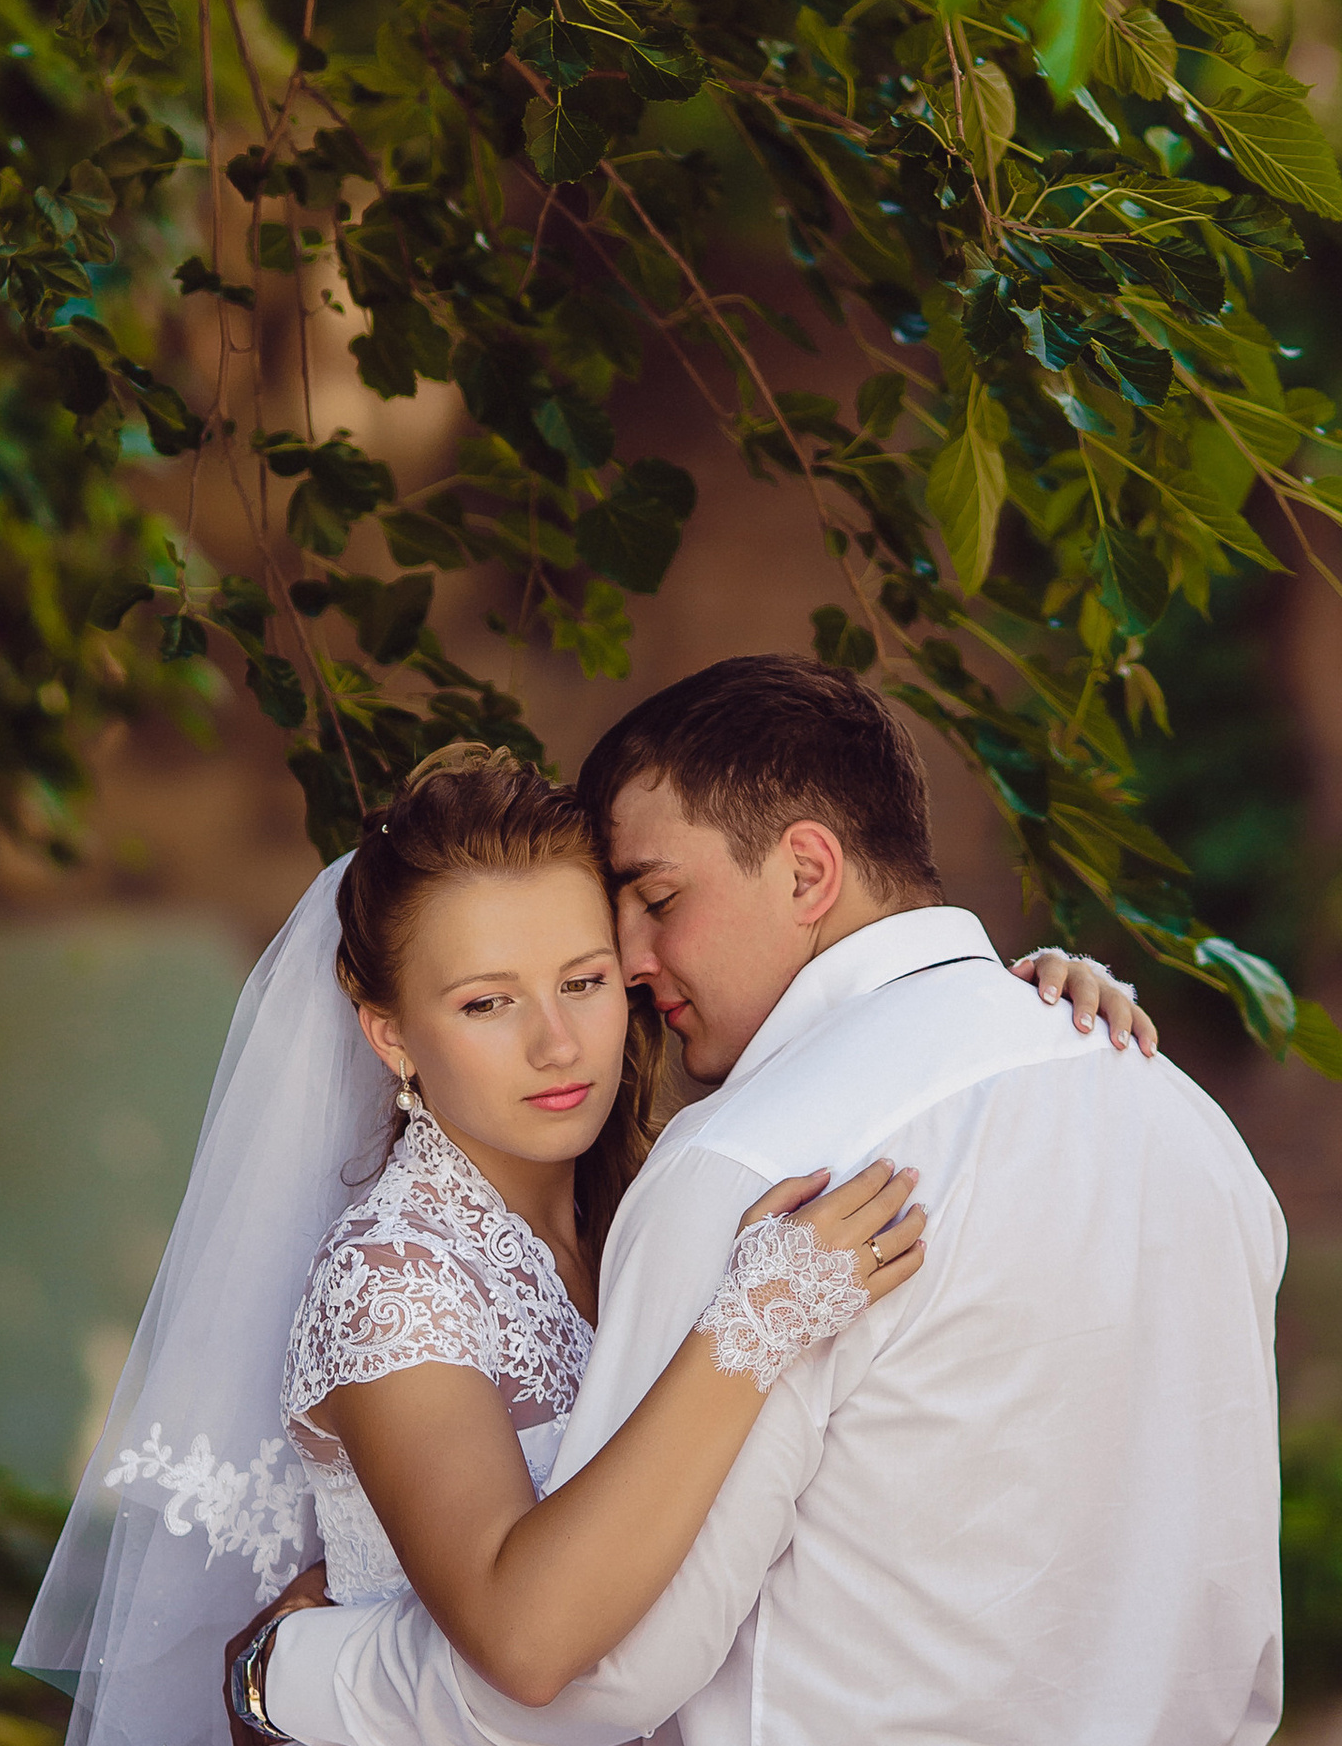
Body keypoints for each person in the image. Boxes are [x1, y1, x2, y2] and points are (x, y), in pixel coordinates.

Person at [17, 720, 1152, 1746]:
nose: (557, 1043)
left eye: (583, 978)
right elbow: (522, 1641)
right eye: (485, 1002)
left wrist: (1004, 1008)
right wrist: (753, 1324)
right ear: (389, 1033)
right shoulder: (395, 1278)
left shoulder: (655, 1192)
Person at [245, 655, 1288, 1746]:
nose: (632, 968)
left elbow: (591, 1672)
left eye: (638, 918)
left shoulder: (746, 1166)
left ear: (805, 872)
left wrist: (286, 1673)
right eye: (488, 1000)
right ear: (393, 1032)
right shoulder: (1178, 1115)